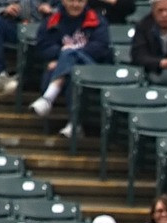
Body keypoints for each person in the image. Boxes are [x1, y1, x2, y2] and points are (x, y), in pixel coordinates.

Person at [30, 0, 112, 136]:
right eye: (71, 0)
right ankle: (75, 124)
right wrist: (63, 57)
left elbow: (101, 48)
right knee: (72, 76)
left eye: (80, 1)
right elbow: (43, 47)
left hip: (91, 70)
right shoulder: (52, 20)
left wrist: (67, 54)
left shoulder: (98, 20)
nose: (75, 4)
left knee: (69, 55)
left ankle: (48, 98)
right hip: (65, 74)